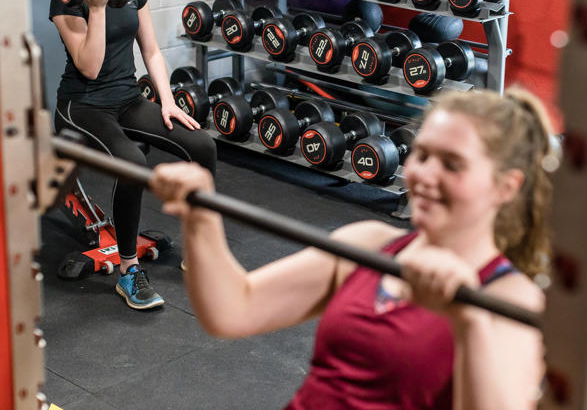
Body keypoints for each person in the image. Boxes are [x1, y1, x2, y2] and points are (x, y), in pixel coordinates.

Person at [150, 87, 555, 408]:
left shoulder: (510, 300)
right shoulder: (369, 245)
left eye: (452, 164)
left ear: (506, 187)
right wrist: (200, 217)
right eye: (423, 155)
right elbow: (234, 309)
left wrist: (469, 322)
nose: (426, 175)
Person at [51, 0, 216, 310]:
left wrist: (168, 101)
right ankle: (128, 271)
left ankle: (199, 247)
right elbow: (88, 68)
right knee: (134, 166)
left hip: (127, 97)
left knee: (203, 146)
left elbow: (153, 52)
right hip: (83, 105)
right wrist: (96, 9)